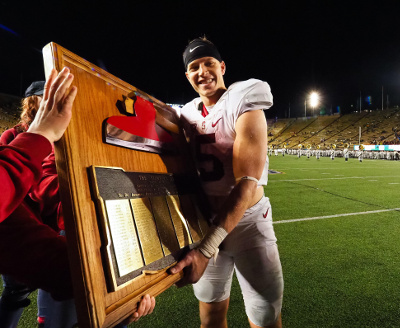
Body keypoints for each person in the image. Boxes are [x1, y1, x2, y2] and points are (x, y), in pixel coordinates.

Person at [0, 68, 155, 327]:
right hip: (29, 219)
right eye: (46, 97)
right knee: (18, 292)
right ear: (33, 101)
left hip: (39, 228)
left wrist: (125, 289)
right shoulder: (16, 135)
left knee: (60, 285)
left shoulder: (66, 131)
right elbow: (37, 188)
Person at [170, 37, 283, 328]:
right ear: (187, 76)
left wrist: (206, 249)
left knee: (264, 317)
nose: (202, 71)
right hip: (207, 221)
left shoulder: (245, 97)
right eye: (194, 66)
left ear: (222, 66)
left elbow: (246, 182)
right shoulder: (186, 113)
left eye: (208, 63)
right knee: (210, 316)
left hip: (247, 223)